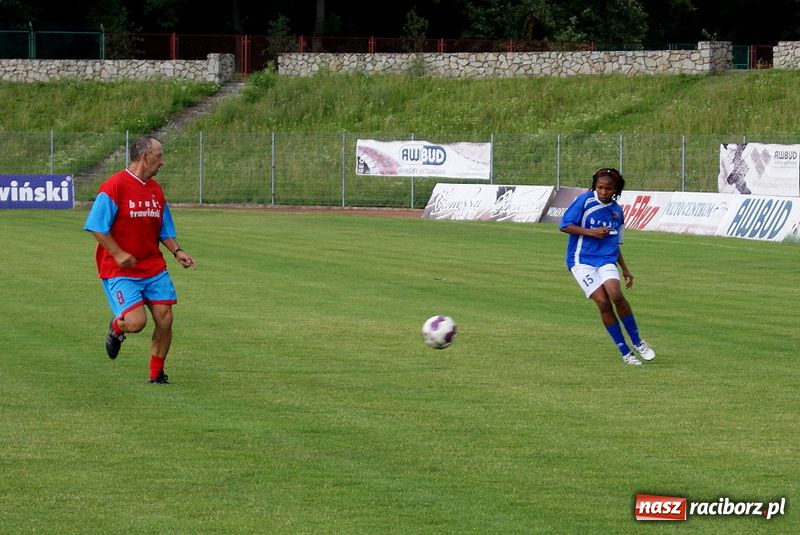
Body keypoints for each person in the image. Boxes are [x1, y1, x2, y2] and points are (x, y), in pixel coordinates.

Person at [84, 134, 196, 384]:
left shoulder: (156, 189)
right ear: (145, 157)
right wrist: (118, 253)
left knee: (165, 318)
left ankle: (156, 375)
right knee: (136, 323)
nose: (162, 162)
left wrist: (177, 251)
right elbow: (96, 226)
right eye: (159, 156)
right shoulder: (114, 186)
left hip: (153, 267)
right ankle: (117, 326)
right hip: (120, 270)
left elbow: (163, 228)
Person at [559, 167, 655, 366]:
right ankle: (625, 351)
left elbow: (614, 243)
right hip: (581, 261)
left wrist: (625, 269)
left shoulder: (617, 212)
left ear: (615, 189)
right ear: (595, 186)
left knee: (616, 295)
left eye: (608, 188)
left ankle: (637, 342)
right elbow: (565, 225)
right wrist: (592, 232)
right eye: (600, 187)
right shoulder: (584, 201)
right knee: (603, 303)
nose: (603, 192)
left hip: (605, 259)